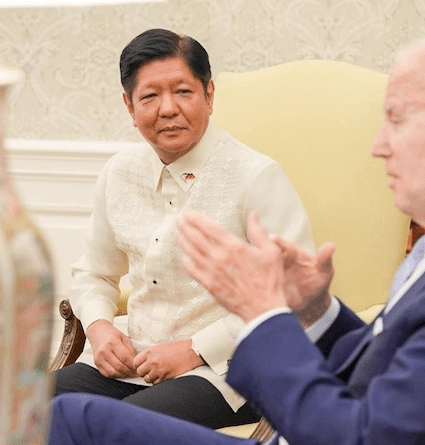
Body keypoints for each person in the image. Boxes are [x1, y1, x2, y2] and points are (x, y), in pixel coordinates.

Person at [48, 29, 425, 445]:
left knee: (75, 420)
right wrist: (314, 310)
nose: (378, 146)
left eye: (395, 119)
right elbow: (381, 368)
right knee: (49, 405)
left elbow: (365, 436)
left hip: (247, 398)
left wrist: (264, 314)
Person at [52, 28, 315, 430]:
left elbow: (292, 297)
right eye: (150, 97)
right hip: (133, 364)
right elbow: (94, 273)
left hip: (228, 373)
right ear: (129, 106)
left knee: (117, 427)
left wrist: (196, 349)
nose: (168, 109)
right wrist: (101, 329)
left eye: (183, 92)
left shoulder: (256, 177)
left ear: (210, 96)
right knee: (24, 408)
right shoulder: (119, 173)